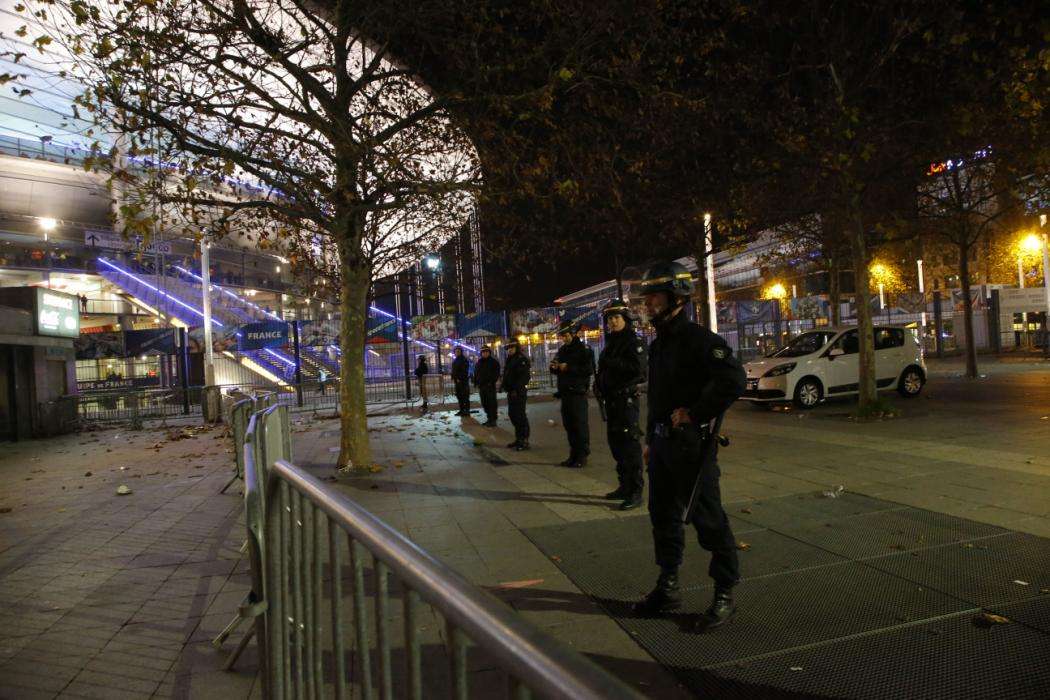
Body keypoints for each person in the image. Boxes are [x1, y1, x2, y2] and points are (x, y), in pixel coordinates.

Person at [632, 260, 746, 633]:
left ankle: (724, 593)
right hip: (663, 448)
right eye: (646, 298)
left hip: (690, 449)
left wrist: (696, 414)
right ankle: (668, 587)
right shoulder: (658, 345)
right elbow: (658, 399)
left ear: (677, 297)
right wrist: (650, 441)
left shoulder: (700, 340)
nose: (647, 303)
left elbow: (733, 380)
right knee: (663, 518)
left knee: (708, 520)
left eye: (655, 296)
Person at [595, 298, 647, 511]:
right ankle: (624, 485)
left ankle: (635, 491)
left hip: (626, 400)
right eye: (610, 319)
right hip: (612, 401)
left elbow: (638, 369)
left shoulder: (634, 341)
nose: (613, 322)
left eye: (616, 317)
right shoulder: (611, 342)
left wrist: (612, 363)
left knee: (629, 445)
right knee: (616, 445)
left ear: (625, 318)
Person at [550, 319, 595, 468]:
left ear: (573, 334)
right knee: (569, 425)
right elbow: (555, 365)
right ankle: (573, 455)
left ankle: (582, 455)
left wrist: (568, 367)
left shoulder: (583, 349)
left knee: (579, 425)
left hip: (577, 393)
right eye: (562, 336)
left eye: (566, 335)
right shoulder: (563, 350)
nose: (564, 338)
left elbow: (588, 370)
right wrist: (554, 367)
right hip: (565, 393)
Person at [500, 340, 531, 450]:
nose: (509, 350)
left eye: (512, 348)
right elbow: (507, 375)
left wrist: (515, 389)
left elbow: (524, 377)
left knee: (520, 416)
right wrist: (504, 386)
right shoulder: (510, 359)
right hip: (511, 392)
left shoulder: (521, 359)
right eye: (508, 348)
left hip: (518, 392)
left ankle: (524, 440)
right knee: (513, 415)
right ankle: (519, 438)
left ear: (516, 348)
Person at [473, 346, 501, 426]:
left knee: (491, 403)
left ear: (489, 352)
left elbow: (496, 373)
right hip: (481, 386)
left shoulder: (493, 362)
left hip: (489, 386)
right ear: (481, 353)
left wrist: (491, 382)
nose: (485, 353)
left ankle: (493, 420)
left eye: (486, 352)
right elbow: (476, 372)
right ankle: (489, 418)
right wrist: (475, 382)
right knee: (484, 402)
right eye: (483, 352)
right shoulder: (479, 362)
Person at [450, 347, 472, 416]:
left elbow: (464, 371)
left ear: (461, 352)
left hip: (463, 381)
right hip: (457, 381)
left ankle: (466, 410)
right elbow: (454, 370)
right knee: (459, 396)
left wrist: (459, 378)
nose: (457, 352)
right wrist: (453, 377)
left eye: (458, 351)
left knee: (465, 396)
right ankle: (462, 410)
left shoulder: (464, 360)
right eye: (456, 351)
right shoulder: (455, 360)